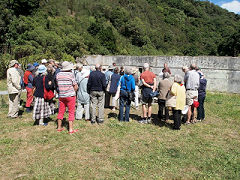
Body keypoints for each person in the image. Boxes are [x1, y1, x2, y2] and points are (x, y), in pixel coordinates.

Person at [56, 61, 78, 134]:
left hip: (61, 95)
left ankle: (59, 127)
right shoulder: (71, 75)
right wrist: (74, 91)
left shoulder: (58, 74)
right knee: (71, 112)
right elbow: (75, 85)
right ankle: (70, 129)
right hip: (70, 95)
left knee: (61, 111)